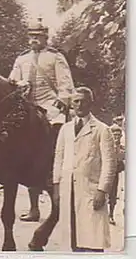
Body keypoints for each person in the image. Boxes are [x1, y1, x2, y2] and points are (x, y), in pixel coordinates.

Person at [9, 17, 75, 222]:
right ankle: (33, 208)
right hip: (28, 108)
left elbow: (66, 85)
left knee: (56, 144)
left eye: (38, 36)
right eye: (31, 36)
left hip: (51, 108)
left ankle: (55, 179)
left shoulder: (55, 58)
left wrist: (61, 102)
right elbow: (12, 79)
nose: (33, 40)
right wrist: (20, 84)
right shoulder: (22, 59)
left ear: (46, 37)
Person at [52, 87, 116, 252]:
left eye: (84, 101)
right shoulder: (65, 129)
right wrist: (56, 185)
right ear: (72, 104)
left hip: (91, 189)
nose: (80, 105)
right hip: (69, 188)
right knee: (73, 235)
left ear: (91, 103)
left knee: (93, 239)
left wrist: (102, 190)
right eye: (76, 101)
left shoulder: (102, 129)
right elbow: (58, 158)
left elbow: (109, 163)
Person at [108, 124, 125, 226]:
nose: (117, 137)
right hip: (104, 173)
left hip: (114, 174)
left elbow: (121, 160)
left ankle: (111, 214)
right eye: (115, 135)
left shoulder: (122, 148)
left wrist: (118, 147)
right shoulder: (106, 146)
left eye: (118, 135)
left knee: (113, 195)